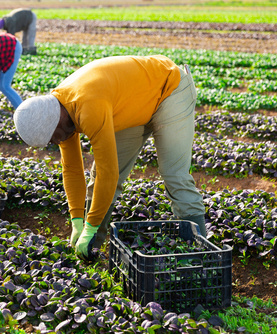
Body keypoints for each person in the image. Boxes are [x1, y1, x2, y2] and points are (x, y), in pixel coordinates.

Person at [13, 55, 206, 261]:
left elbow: (110, 173)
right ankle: (91, 249)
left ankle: (199, 256)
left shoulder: (87, 107)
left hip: (169, 89)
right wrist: (78, 221)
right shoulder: (58, 110)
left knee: (174, 174)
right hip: (134, 101)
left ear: (55, 124)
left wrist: (90, 226)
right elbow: (72, 169)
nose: (56, 143)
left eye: (53, 139)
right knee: (98, 178)